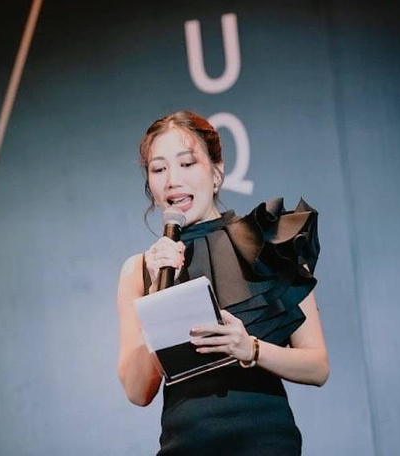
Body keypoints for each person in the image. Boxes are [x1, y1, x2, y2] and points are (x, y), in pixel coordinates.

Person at [117, 110, 329, 455]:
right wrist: (156, 297)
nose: (172, 180)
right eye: (159, 169)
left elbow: (317, 367)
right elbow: (137, 391)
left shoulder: (271, 243)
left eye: (187, 163)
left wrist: (251, 349)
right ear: (151, 186)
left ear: (217, 173)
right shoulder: (139, 270)